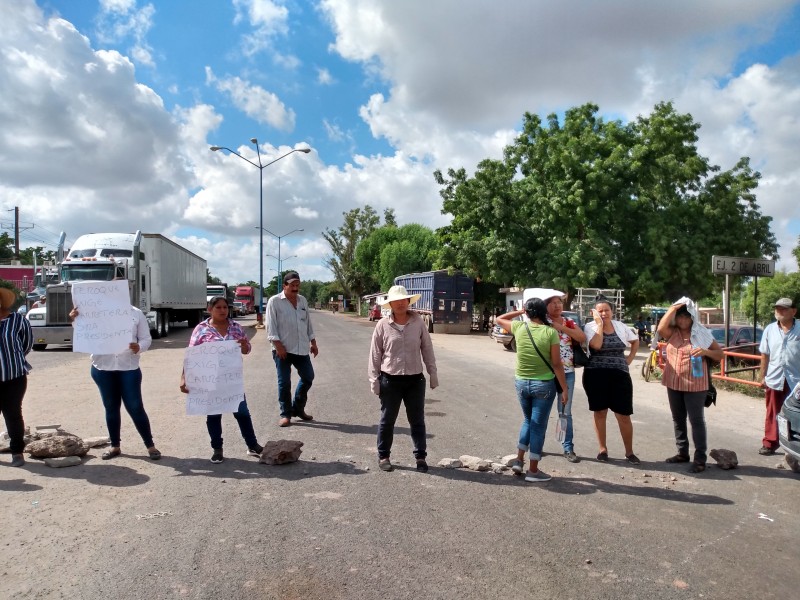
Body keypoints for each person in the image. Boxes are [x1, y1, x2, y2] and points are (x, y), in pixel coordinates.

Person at [69, 304, 161, 461]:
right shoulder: (94, 312)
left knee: (135, 407)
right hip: (103, 367)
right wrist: (75, 319)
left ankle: (150, 446)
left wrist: (140, 347)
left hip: (129, 367)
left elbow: (146, 338)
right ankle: (115, 446)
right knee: (111, 407)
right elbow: (84, 333)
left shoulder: (136, 313)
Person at [180, 296, 262, 463]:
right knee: (214, 415)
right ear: (210, 309)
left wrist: (244, 345)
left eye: (225, 307)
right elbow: (191, 355)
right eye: (218, 307)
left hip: (232, 381)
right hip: (210, 381)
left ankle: (252, 445)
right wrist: (184, 377)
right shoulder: (201, 329)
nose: (223, 310)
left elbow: (247, 350)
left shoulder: (236, 328)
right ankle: (217, 449)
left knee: (242, 413)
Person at [497, 298, 568, 482]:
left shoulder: (519, 328)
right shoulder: (550, 332)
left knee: (528, 421)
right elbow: (557, 364)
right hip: (543, 385)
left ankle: (519, 461)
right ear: (544, 312)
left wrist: (521, 312)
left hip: (521, 383)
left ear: (528, 313)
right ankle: (534, 471)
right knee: (538, 426)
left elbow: (499, 318)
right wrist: (565, 389)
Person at [369, 285, 438, 472]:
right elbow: (375, 354)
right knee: (387, 419)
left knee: (417, 420)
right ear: (390, 304)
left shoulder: (418, 323)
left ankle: (421, 457)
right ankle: (383, 456)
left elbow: (427, 348)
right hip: (390, 380)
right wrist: (374, 380)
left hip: (415, 380)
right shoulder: (382, 325)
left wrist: (433, 373)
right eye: (396, 301)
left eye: (403, 300)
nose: (400, 304)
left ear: (408, 302)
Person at [657, 299, 724, 473]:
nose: (683, 320)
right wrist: (673, 307)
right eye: (680, 317)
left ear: (693, 317)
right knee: (678, 419)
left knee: (696, 421)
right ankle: (682, 453)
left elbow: (720, 355)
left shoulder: (701, 333)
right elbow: (660, 328)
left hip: (696, 385)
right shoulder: (672, 333)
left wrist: (705, 351)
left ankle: (700, 458)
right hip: (674, 382)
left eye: (687, 316)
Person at [582, 295, 640, 464]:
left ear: (612, 311)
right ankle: (602, 449)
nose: (604, 313)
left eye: (607, 310)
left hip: (620, 375)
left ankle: (629, 452)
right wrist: (600, 325)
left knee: (623, 414)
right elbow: (597, 345)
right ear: (594, 313)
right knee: (600, 412)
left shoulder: (621, 327)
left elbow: (635, 342)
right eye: (600, 311)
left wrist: (629, 359)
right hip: (596, 374)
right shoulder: (590, 327)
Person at [266, 271, 318, 427]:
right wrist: (279, 346)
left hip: (301, 347)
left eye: (297, 285)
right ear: (285, 285)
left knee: (308, 377)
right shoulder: (274, 302)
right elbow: (270, 326)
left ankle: (298, 408)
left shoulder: (302, 301)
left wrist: (313, 342)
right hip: (282, 350)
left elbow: (307, 323)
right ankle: (286, 414)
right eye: (292, 285)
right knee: (284, 383)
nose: (295, 288)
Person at [545, 293, 586, 463]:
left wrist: (561, 327)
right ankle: (536, 445)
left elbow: (581, 337)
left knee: (565, 412)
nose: (557, 305)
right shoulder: (541, 321)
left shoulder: (568, 321)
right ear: (545, 306)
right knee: (542, 412)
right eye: (552, 303)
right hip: (546, 373)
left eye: (559, 302)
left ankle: (568, 447)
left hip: (567, 373)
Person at [757, 296, 800, 455]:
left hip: (796, 381)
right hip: (775, 378)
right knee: (772, 412)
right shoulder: (769, 329)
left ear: (793, 311)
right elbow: (764, 355)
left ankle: (794, 445)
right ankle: (770, 443)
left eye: (784, 308)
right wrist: (763, 377)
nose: (779, 311)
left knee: (796, 413)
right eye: (777, 308)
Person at [0, 287, 32, 467]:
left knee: (13, 413)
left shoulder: (18, 321)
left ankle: (17, 452)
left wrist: (12, 360)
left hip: (15, 377)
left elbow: (26, 345)